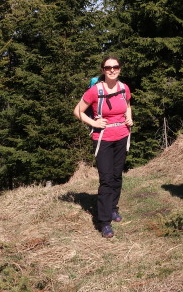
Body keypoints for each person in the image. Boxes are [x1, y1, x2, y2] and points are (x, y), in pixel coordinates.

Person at [73, 56, 133, 238]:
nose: (112, 70)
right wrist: (94, 122)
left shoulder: (124, 88)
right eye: (108, 68)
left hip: (122, 136)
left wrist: (129, 118)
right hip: (103, 139)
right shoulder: (94, 91)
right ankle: (104, 221)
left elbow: (127, 105)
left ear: (120, 69)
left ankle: (113, 208)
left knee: (116, 176)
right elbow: (77, 111)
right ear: (103, 70)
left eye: (115, 67)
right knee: (106, 179)